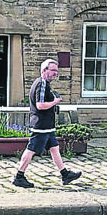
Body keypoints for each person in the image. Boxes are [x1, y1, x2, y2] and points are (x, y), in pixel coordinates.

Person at [12, 58, 82, 188]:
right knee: (31, 149)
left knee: (54, 149)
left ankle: (65, 174)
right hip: (41, 125)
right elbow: (40, 105)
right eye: (53, 70)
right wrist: (55, 102)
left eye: (57, 71)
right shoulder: (42, 83)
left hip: (47, 126)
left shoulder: (43, 83)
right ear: (44, 70)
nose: (56, 73)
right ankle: (19, 176)